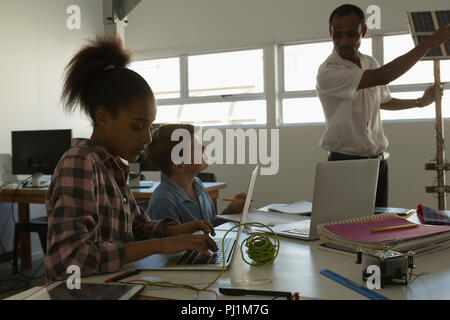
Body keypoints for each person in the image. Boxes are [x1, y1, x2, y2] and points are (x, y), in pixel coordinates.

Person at [44, 36, 218, 281]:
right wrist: (160, 246)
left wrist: (174, 231)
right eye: (138, 126)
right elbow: (68, 261)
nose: (147, 138)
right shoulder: (80, 163)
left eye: (149, 126)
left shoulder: (113, 166)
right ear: (103, 118)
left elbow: (138, 226)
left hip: (116, 283)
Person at [316, 4, 449, 207]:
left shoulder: (370, 62)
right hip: (345, 164)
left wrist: (420, 102)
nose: (343, 41)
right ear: (330, 33)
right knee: (348, 230)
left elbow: (383, 101)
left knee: (377, 226)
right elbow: (385, 76)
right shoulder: (328, 72)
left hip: (378, 162)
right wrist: (428, 44)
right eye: (337, 35)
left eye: (351, 34)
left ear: (363, 32)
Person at [145, 124, 248, 226]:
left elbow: (210, 228)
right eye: (195, 147)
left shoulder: (197, 184)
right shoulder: (163, 202)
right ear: (179, 165)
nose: (203, 147)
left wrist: (231, 211)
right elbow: (172, 242)